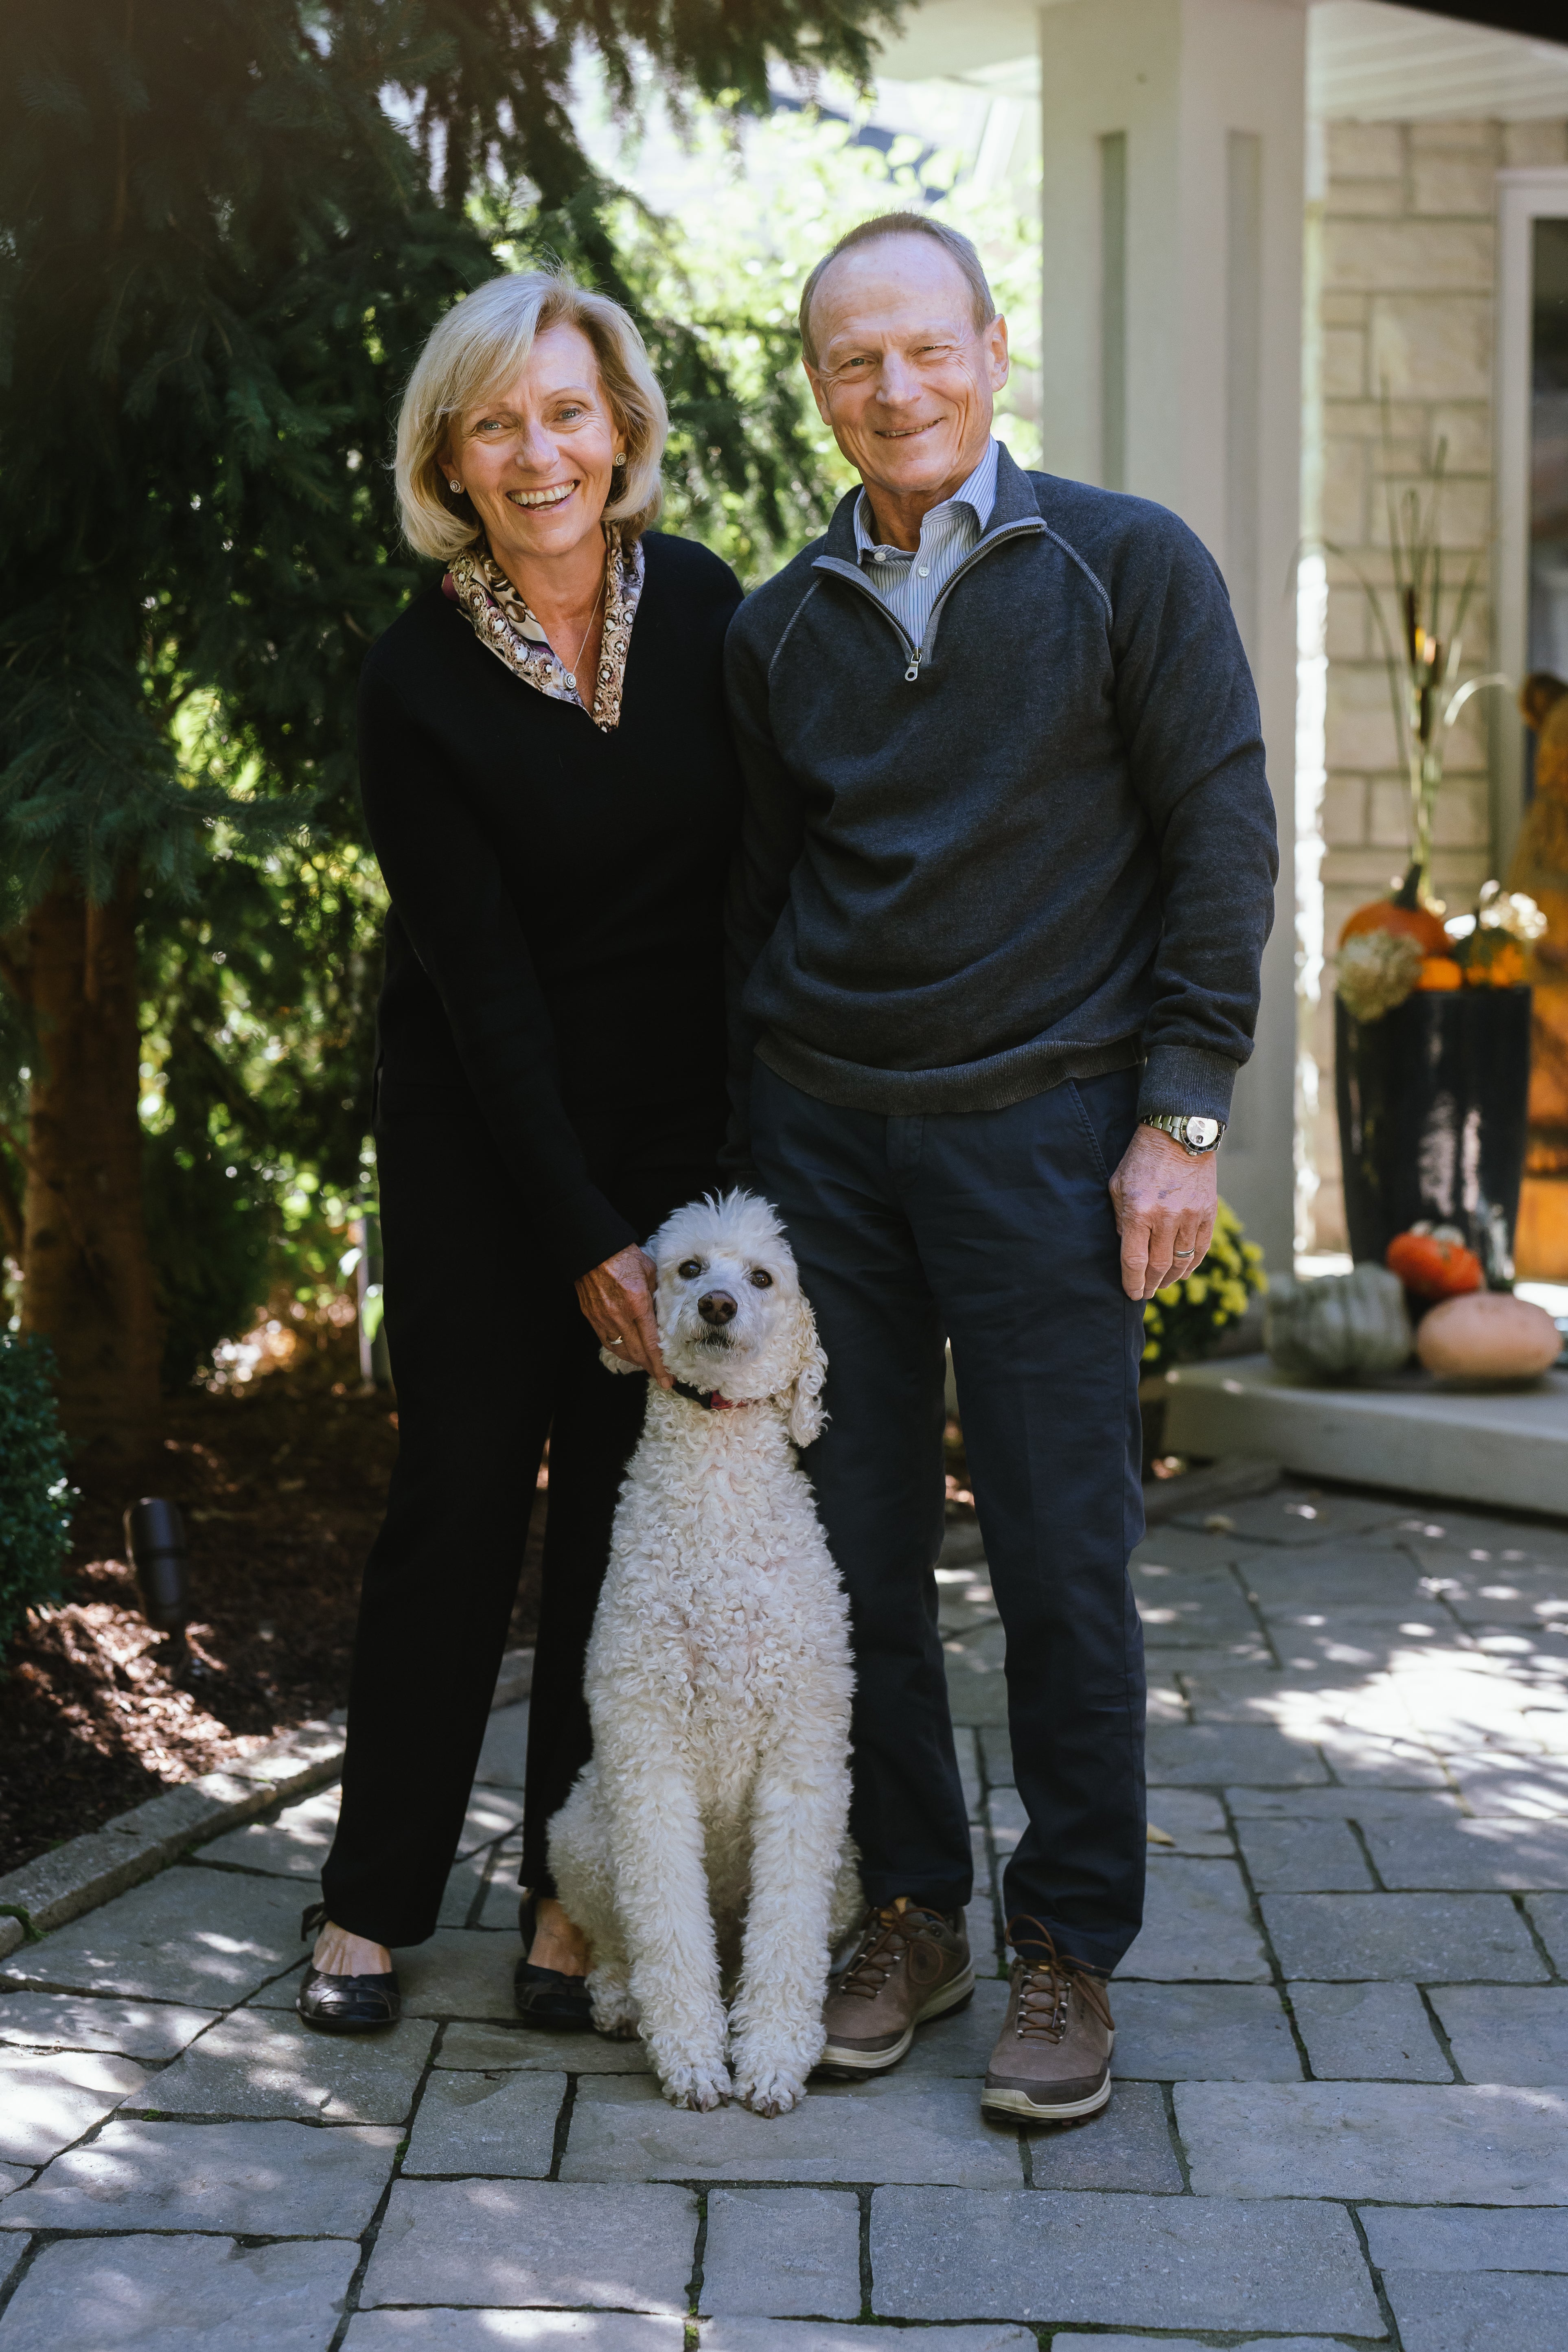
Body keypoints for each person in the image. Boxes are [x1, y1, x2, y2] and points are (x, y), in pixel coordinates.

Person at [723, 213, 1277, 2121]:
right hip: (829, 1139)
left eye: (927, 349)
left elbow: (1221, 840)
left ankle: (1066, 1950)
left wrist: (1179, 1118)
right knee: (856, 1552)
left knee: (1065, 1554)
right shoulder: (777, 625)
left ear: (993, 345)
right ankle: (912, 1905)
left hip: (1050, 1131)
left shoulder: (1127, 566)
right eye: (855, 361)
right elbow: (760, 893)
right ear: (822, 386)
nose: (898, 389)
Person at [298, 268, 743, 2032]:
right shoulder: (415, 679)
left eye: (567, 411)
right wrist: (577, 1230)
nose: (538, 450)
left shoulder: (711, 613)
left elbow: (753, 900)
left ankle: (572, 1900)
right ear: (451, 461)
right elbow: (480, 988)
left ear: (620, 427)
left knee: (624, 1527)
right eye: (497, 423)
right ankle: (370, 1896)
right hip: (486, 1135)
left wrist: (689, 1204)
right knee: (462, 1500)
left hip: (681, 1134)